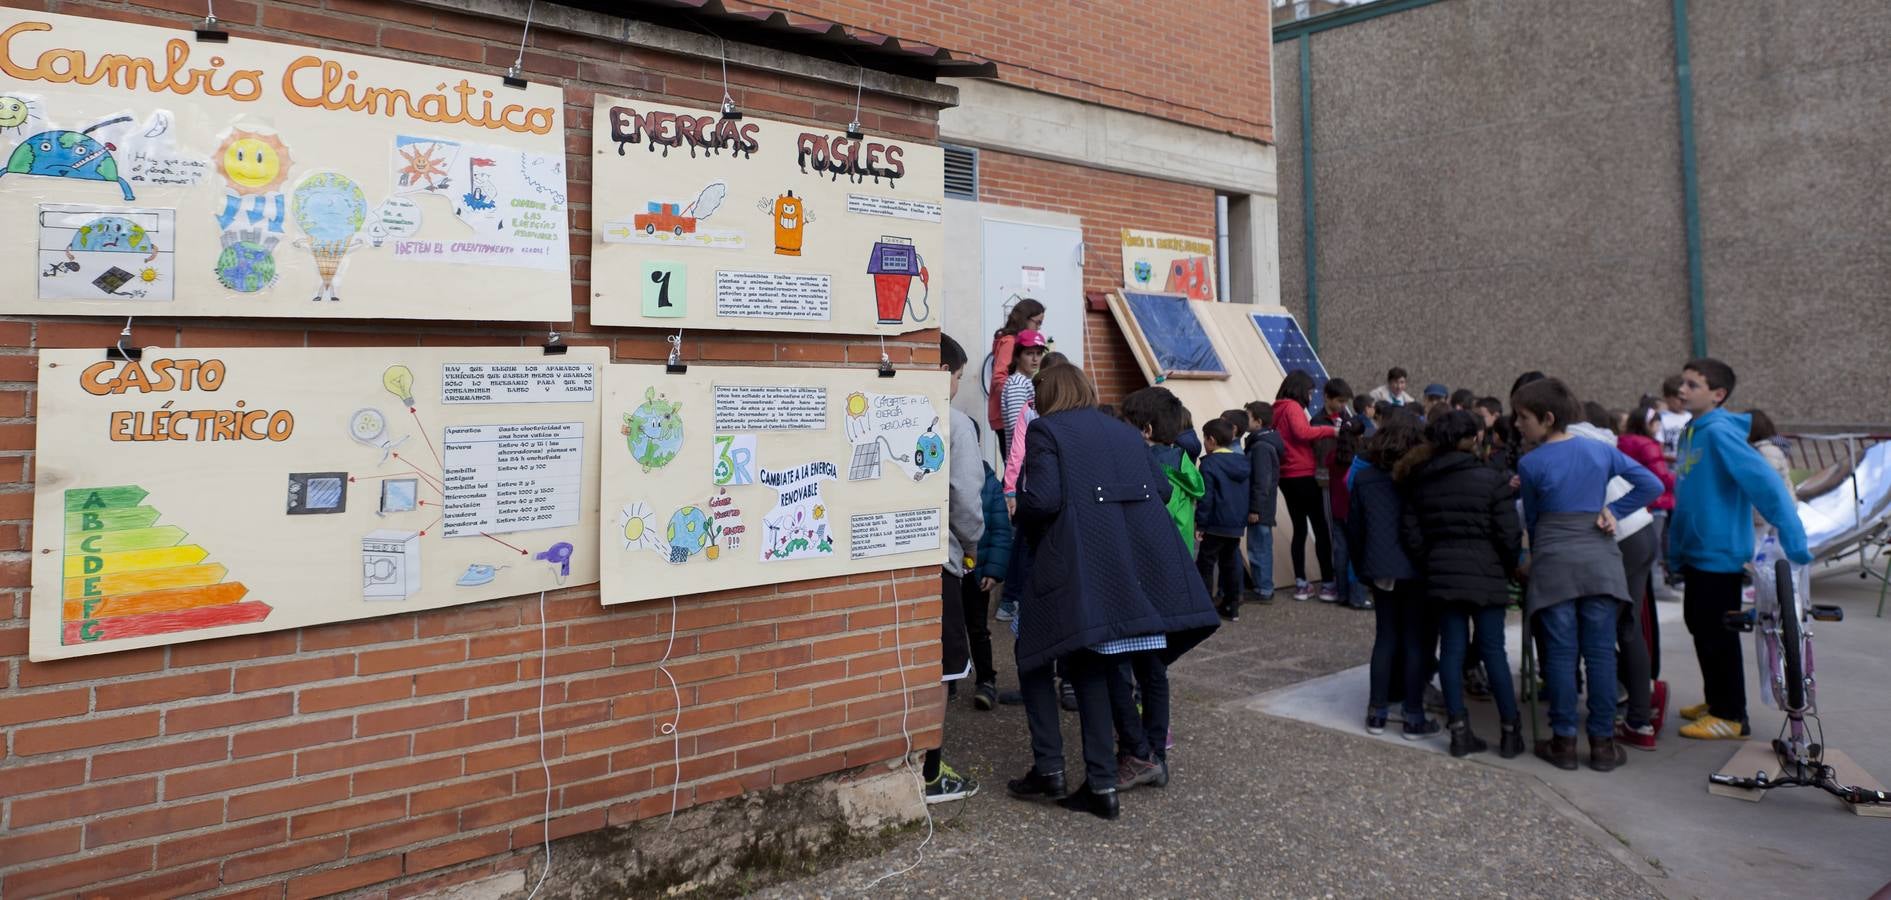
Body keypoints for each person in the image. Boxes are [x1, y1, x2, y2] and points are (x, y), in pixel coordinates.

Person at [1008, 364, 1220, 820]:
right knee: (1094, 667)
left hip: (1071, 565)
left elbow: (1042, 500)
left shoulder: (1047, 431)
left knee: (1033, 655)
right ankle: (1100, 782)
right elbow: (1161, 490)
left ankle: (1054, 770)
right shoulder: (1124, 433)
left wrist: (1018, 510)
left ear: (1048, 396)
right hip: (1126, 568)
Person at [1513, 379, 1661, 772]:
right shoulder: (1599, 450)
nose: (1517, 424)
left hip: (1555, 561)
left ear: (1547, 418)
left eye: (1523, 417)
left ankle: (1563, 742)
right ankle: (1602, 744)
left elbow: (1532, 517)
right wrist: (1616, 510)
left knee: (1561, 655)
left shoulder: (1530, 463)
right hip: (1600, 559)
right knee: (1599, 653)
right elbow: (1652, 483)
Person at [1670, 359, 1810, 741]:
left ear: (1718, 394)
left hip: (1719, 554)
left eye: (1692, 384)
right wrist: (1675, 550)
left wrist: (1793, 536)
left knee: (1718, 634)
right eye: (1682, 383)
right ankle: (1716, 699)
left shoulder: (1718, 432)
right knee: (1700, 627)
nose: (1682, 390)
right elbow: (1686, 497)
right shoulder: (1691, 431)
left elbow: (1763, 481)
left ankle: (1730, 715)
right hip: (1698, 552)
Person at [1398, 410, 1523, 758]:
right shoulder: (1492, 478)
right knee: (1493, 650)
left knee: (1452, 651)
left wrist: (1432, 559)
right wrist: (1508, 563)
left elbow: (1411, 532)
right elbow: (1509, 534)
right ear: (1474, 438)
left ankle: (1459, 730)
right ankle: (1511, 732)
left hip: (1442, 573)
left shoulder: (1420, 478)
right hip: (1487, 572)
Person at [1570, 400, 1668, 753]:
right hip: (1640, 531)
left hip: (1622, 537)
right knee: (1627, 626)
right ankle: (1640, 711)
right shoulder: (1599, 440)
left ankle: (1626, 710)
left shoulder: (1570, 443)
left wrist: (1611, 511)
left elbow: (1651, 483)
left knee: (1601, 627)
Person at [1350, 414, 1437, 738]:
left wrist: (1362, 569)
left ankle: (1377, 711)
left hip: (1380, 566)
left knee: (1385, 637)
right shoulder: (1424, 477)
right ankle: (1413, 715)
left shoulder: (1365, 478)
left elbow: (1356, 528)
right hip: (1417, 567)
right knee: (1414, 640)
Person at [929, 334, 985, 801]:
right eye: (959, 376)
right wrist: (973, 544)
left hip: (895, 561)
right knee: (944, 669)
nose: (958, 386)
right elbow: (966, 498)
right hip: (942, 557)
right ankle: (930, 771)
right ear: (943, 370)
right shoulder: (955, 425)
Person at [1615, 402, 1676, 748]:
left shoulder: (1622, 444)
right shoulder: (1646, 446)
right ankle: (1639, 712)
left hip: (1625, 530)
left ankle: (1634, 708)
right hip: (1645, 519)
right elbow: (1657, 481)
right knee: (1630, 622)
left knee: (1623, 623)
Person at [1272, 371, 1339, 600]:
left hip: (1286, 477)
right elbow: (1304, 433)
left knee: (1299, 529)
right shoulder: (1292, 407)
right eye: (1310, 392)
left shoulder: (1276, 408)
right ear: (1301, 390)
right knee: (1320, 528)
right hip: (1303, 474)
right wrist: (1332, 431)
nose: (1311, 397)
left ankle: (1301, 583)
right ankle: (1329, 583)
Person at [1312, 378, 1366, 608]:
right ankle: (1355, 595)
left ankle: (1341, 591)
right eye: (1340, 401)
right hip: (1347, 502)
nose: (1343, 405)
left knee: (1341, 548)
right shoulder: (1359, 461)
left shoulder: (1335, 457)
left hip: (1335, 500)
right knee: (1353, 550)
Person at [1195, 418, 1251, 621]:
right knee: (1231, 563)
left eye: (1204, 439)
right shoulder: (1243, 461)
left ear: (1211, 439)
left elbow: (1206, 497)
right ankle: (1232, 606)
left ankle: (1206, 608)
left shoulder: (1209, 464)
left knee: (1206, 564)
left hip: (1215, 523)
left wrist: (1201, 524)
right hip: (1236, 523)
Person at [988, 299, 1046, 457]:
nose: (1039, 328)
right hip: (1006, 414)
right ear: (1026, 319)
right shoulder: (1010, 342)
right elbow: (999, 377)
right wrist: (1015, 396)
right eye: (1037, 323)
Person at [1243, 401, 1284, 605]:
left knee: (1259, 547)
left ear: (1258, 422)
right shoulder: (1264, 442)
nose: (1244, 420)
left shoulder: (1260, 447)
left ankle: (1263, 589)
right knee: (1260, 545)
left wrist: (1255, 508)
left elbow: (1262, 480)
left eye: (1247, 416)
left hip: (1261, 508)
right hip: (1264, 506)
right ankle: (1262, 586)